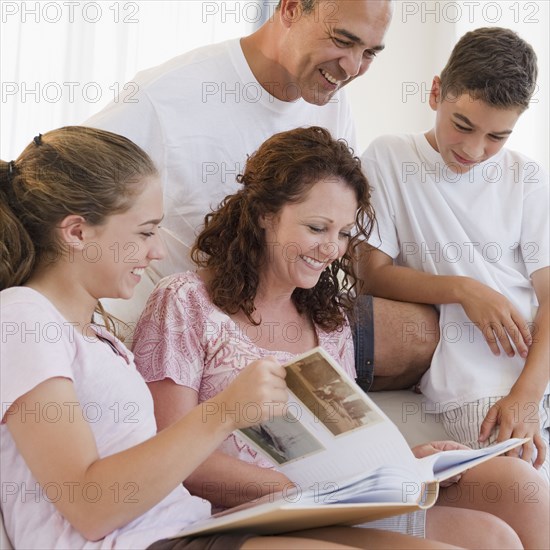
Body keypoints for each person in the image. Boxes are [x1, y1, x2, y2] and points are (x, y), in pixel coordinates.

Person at [0, 126, 460, 550]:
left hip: (184, 528)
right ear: (78, 232)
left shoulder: (98, 337)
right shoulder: (23, 316)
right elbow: (90, 506)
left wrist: (391, 467)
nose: (158, 251)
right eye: (144, 232)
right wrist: (224, 412)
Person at [132, 126, 548, 550]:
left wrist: (406, 463)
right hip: (252, 513)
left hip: (334, 502)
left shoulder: (329, 322)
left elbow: (345, 449)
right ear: (264, 214)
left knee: (512, 489)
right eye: (317, 227)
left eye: (345, 232)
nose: (332, 249)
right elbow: (176, 458)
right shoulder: (185, 303)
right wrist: (299, 489)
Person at [86, 0, 438, 391]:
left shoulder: (332, 104)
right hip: (207, 316)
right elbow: (59, 186)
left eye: (369, 52)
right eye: (343, 40)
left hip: (290, 305)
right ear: (289, 9)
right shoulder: (167, 98)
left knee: (427, 333)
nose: (353, 68)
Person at [359, 27, 550, 481]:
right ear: (436, 91)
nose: (474, 149)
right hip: (479, 384)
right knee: (527, 492)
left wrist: (528, 392)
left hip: (534, 372)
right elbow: (371, 275)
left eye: (497, 136)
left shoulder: (526, 177)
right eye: (462, 124)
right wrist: (463, 290)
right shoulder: (389, 157)